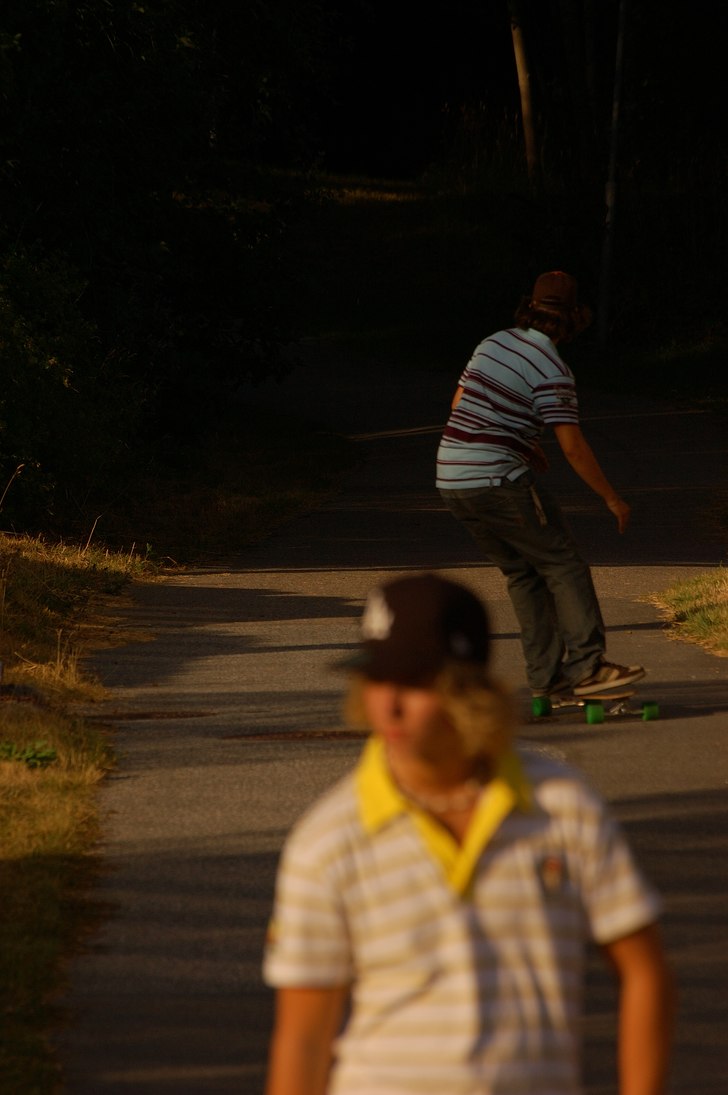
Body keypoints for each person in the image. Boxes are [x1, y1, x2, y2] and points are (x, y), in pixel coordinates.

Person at [263, 572, 673, 1095]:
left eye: (414, 682)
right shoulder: (327, 839)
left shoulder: (562, 808)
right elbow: (303, 1036)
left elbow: (645, 973)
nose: (388, 705)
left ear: (467, 689)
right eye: (376, 678)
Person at [436, 271, 644, 699]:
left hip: (452, 475)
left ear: (528, 308)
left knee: (522, 573)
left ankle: (546, 680)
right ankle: (587, 667)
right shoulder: (553, 368)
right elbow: (573, 446)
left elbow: (460, 403)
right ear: (571, 320)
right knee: (562, 563)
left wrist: (522, 443)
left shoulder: (492, 341)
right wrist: (612, 497)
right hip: (497, 478)